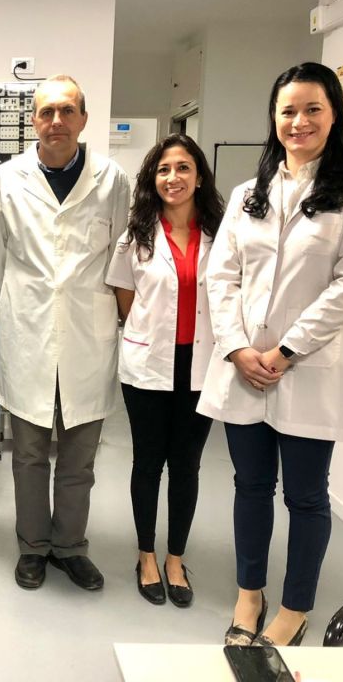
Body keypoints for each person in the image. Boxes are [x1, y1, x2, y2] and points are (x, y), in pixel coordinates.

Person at [198, 62, 343, 647]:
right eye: (288, 111)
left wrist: (285, 350)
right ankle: (249, 594)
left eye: (312, 109)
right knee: (250, 487)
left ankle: (295, 607)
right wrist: (236, 347)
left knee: (305, 496)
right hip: (244, 367)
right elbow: (221, 276)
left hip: (306, 371)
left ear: (334, 115)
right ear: (273, 119)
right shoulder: (247, 195)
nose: (299, 121)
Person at [0, 74, 129, 591]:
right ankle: (33, 546)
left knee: (78, 458)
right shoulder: (5, 180)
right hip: (28, 335)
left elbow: (120, 256)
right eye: (46, 112)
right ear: (33, 121)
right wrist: (26, 307)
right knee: (27, 455)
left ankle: (69, 546)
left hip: (88, 338)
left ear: (83, 119)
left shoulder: (112, 179)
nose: (57, 121)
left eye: (67, 111)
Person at [105, 134, 224, 608]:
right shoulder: (135, 236)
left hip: (200, 365)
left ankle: (176, 558)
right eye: (163, 169)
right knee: (148, 462)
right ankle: (146, 555)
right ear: (153, 179)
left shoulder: (221, 234)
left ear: (199, 177)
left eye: (183, 168)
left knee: (187, 465)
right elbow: (126, 300)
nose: (173, 177)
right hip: (148, 366)